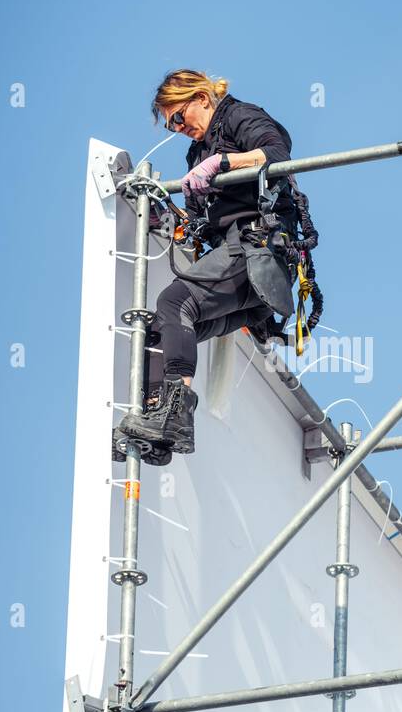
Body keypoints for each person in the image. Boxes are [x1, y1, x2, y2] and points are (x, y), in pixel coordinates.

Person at [116, 69, 311, 457]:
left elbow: (277, 154)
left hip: (258, 251)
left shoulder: (238, 117)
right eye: (171, 124)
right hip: (242, 271)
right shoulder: (196, 153)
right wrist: (163, 215)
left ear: (202, 98)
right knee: (159, 329)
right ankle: (159, 427)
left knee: (174, 302)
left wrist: (223, 163)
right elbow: (196, 227)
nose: (177, 128)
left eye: (178, 116)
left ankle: (175, 414)